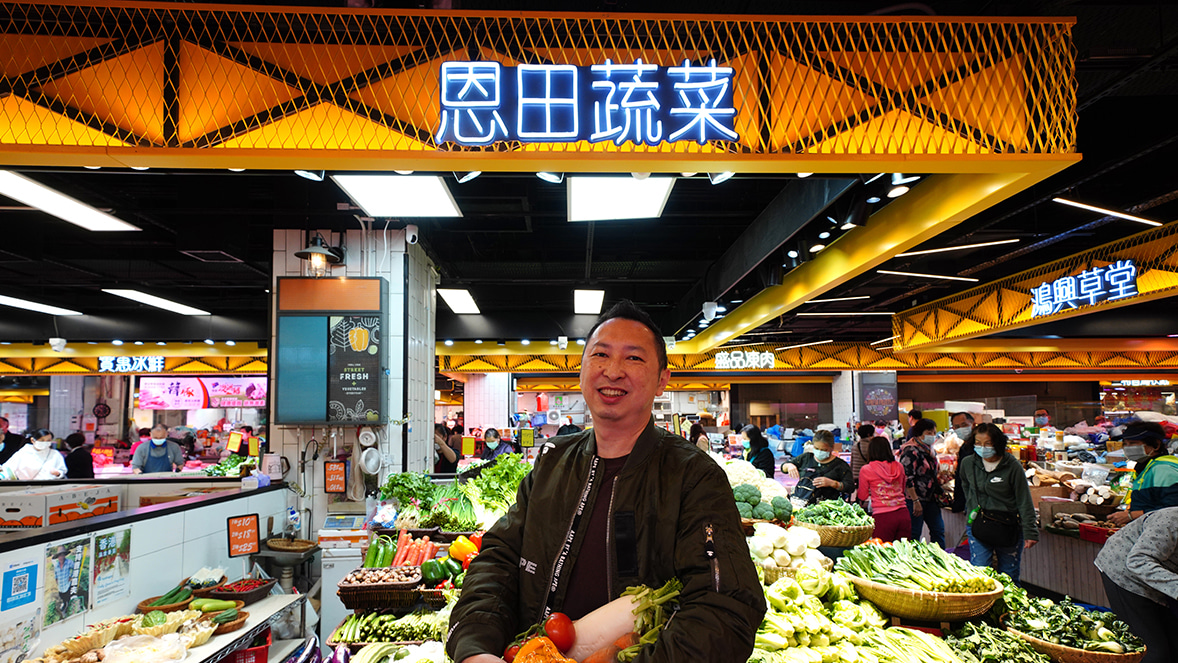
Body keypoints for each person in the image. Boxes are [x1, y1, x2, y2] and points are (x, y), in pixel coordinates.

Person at [447, 300, 764, 663]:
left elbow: (726, 609)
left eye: (634, 358)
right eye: (600, 355)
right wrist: (474, 646)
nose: (613, 371)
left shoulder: (694, 476)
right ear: (582, 371)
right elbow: (499, 558)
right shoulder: (552, 462)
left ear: (662, 380)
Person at [1094, 506, 1178, 663]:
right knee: (1152, 651)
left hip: (1159, 577)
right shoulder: (1171, 521)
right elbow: (1138, 561)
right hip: (1123, 571)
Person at [959, 423, 1037, 581]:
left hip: (1008, 525)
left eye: (987, 443)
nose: (982, 448)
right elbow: (966, 487)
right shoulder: (968, 463)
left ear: (997, 443)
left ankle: (1009, 604)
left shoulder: (1012, 466)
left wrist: (1030, 531)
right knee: (980, 573)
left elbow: (1024, 500)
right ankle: (985, 605)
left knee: (1009, 575)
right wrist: (971, 510)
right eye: (978, 443)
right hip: (979, 523)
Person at [1109, 421, 1178, 526]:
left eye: (1133, 443)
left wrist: (1131, 516)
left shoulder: (1164, 469)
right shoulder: (1147, 467)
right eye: (1125, 444)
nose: (1127, 448)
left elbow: (1172, 510)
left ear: (1156, 445)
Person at [900, 419, 945, 548]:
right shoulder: (911, 451)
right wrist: (915, 501)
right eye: (929, 432)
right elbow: (907, 477)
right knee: (914, 534)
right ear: (920, 433)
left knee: (938, 531)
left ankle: (939, 558)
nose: (933, 435)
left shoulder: (930, 450)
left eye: (934, 432)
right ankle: (913, 561)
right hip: (915, 500)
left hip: (931, 498)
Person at [857, 436, 908, 542]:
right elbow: (902, 489)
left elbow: (863, 495)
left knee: (883, 552)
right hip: (903, 513)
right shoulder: (899, 466)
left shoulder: (866, 469)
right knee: (903, 553)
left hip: (882, 516)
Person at [784, 429, 853, 504]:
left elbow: (850, 487)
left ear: (832, 447)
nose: (819, 451)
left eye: (823, 450)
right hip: (802, 505)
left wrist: (833, 483)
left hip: (828, 507)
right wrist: (789, 466)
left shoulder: (841, 465)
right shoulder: (805, 458)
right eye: (816, 448)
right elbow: (783, 467)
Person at [950, 411, 977, 513]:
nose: (961, 429)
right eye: (957, 426)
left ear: (973, 424)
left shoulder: (979, 447)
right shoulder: (964, 448)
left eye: (964, 425)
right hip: (968, 498)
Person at [849, 423, 876, 490]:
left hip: (857, 477)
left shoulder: (855, 446)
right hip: (868, 476)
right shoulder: (872, 446)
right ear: (869, 434)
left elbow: (852, 462)